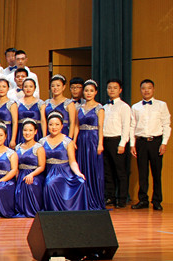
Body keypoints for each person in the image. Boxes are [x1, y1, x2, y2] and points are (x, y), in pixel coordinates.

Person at [130, 79, 170, 211]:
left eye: (149, 88)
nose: (146, 90)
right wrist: (132, 144)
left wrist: (164, 143)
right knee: (142, 173)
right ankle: (143, 200)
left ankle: (157, 200)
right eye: (143, 88)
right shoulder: (135, 107)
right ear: (140, 90)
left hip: (156, 141)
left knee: (156, 172)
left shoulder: (161, 105)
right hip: (141, 142)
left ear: (153, 89)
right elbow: (132, 126)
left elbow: (166, 125)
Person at [41, 112, 87, 211]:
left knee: (81, 182)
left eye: (57, 124)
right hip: (50, 171)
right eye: (51, 124)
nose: (54, 127)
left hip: (65, 172)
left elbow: (72, 161)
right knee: (50, 183)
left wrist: (78, 173)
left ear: (62, 126)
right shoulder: (42, 142)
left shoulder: (68, 141)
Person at [102, 78, 132, 208]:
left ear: (120, 90)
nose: (112, 90)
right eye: (109, 88)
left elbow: (126, 126)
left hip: (117, 141)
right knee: (108, 171)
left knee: (120, 172)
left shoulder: (124, 107)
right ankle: (110, 196)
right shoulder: (104, 107)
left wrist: (122, 143)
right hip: (105, 140)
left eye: (115, 88)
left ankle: (122, 198)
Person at [77, 79, 105, 210]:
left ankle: (94, 198)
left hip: (93, 139)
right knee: (82, 166)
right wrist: (74, 141)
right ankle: (84, 199)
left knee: (93, 168)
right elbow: (76, 126)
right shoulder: (79, 108)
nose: (88, 93)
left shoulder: (99, 108)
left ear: (96, 92)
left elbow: (101, 127)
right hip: (81, 139)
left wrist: (100, 143)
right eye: (86, 90)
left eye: (91, 91)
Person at [15, 119, 45, 217]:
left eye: (30, 130)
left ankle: (32, 211)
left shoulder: (39, 147)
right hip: (21, 174)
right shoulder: (18, 147)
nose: (27, 133)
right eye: (25, 130)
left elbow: (41, 166)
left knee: (29, 184)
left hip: (34, 174)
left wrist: (31, 174)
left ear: (35, 131)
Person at [45, 74, 78, 139]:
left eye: (58, 85)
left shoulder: (69, 103)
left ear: (63, 87)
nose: (55, 88)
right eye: (53, 86)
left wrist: (69, 139)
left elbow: (72, 123)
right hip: (49, 134)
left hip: (64, 133)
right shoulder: (46, 103)